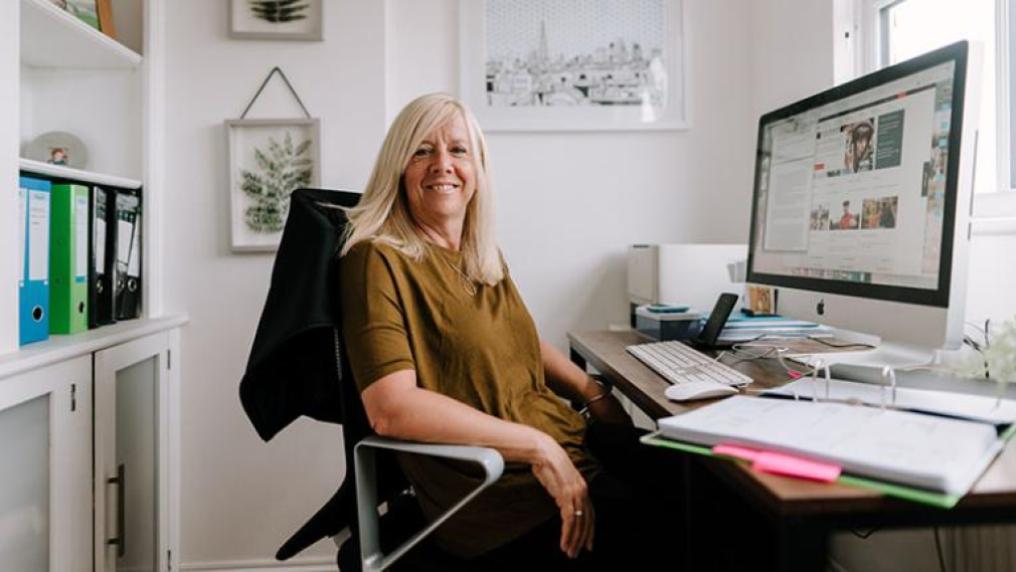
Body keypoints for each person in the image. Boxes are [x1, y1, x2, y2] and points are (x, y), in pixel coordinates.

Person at [338, 93, 682, 569]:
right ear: (398, 167)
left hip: (569, 445)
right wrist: (538, 447)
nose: (443, 164)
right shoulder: (376, 259)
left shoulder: (481, 256)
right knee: (712, 526)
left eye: (458, 150)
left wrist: (590, 390)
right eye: (422, 150)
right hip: (505, 493)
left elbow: (515, 343)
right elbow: (391, 409)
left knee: (718, 475)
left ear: (477, 169)